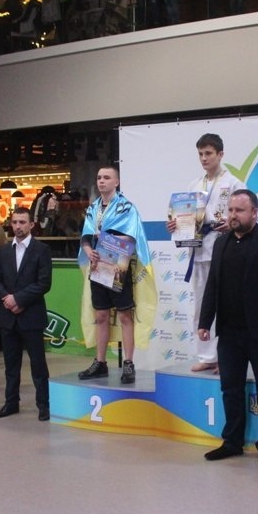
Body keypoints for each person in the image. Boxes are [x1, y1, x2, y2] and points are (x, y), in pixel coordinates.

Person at [198, 190, 258, 468]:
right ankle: (232, 442)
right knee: (230, 388)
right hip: (229, 331)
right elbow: (212, 285)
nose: (233, 215)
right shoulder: (221, 242)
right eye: (230, 210)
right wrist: (205, 321)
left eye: (239, 210)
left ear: (254, 212)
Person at [166, 133, 245, 373]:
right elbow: (185, 217)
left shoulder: (234, 183)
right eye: (200, 154)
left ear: (220, 154)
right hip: (199, 250)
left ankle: (227, 357)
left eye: (208, 153)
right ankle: (207, 355)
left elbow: (246, 216)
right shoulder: (194, 186)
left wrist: (232, 223)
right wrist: (175, 224)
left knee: (226, 306)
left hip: (224, 250)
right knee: (202, 306)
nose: (204, 158)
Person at [77, 165, 153, 385]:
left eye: (107, 177)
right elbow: (86, 237)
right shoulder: (93, 208)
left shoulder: (126, 208)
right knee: (101, 316)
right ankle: (100, 362)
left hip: (118, 267)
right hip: (97, 268)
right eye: (99, 177)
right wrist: (88, 250)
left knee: (124, 316)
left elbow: (132, 237)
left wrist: (108, 240)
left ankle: (128, 363)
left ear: (116, 182)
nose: (101, 181)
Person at [0, 207, 52, 421]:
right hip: (8, 317)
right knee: (11, 364)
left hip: (31, 316)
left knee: (38, 364)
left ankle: (44, 405)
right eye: (15, 222)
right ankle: (11, 403)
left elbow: (44, 283)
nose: (18, 226)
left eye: (22, 222)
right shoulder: (4, 251)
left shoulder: (41, 250)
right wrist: (7, 299)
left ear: (31, 225)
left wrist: (19, 299)